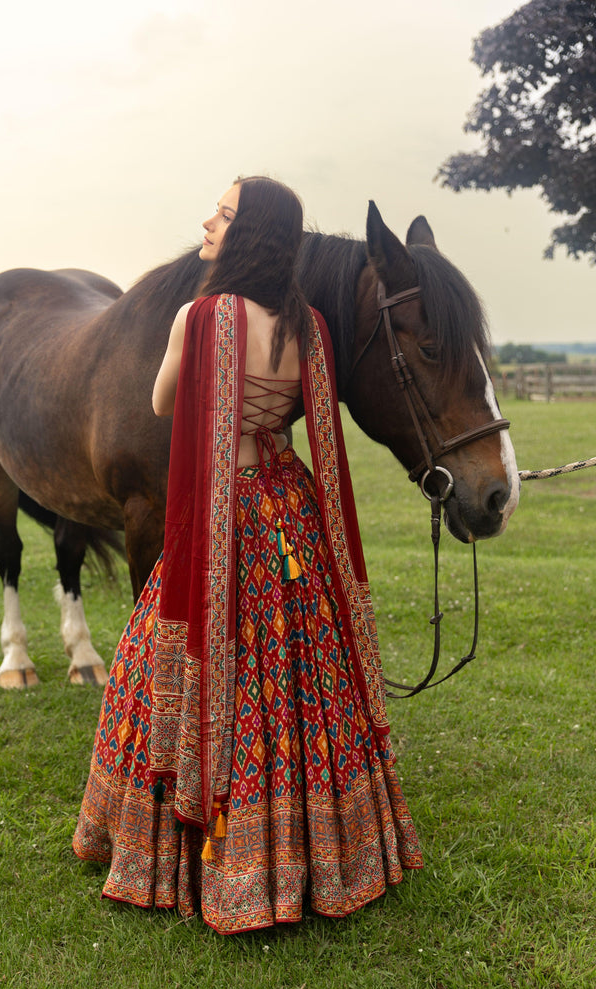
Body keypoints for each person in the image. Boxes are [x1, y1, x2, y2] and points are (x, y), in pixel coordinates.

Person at [72, 176, 423, 934]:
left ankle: (195, 844)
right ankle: (322, 847)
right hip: (290, 513)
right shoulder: (312, 329)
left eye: (224, 212)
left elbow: (165, 403)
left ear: (251, 232)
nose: (208, 220)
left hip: (225, 515)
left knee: (175, 657)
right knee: (298, 672)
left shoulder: (201, 316)